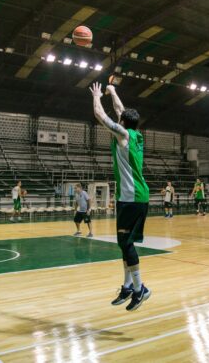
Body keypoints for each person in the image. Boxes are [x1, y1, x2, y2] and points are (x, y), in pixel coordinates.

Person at [90, 81, 151, 311]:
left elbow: (99, 114)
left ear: (124, 123)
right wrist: (113, 91)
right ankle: (128, 286)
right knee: (122, 243)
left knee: (126, 243)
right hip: (131, 197)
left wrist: (97, 95)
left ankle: (139, 288)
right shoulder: (135, 134)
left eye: (120, 119)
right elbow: (119, 110)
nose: (118, 119)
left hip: (131, 197)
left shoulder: (123, 135)